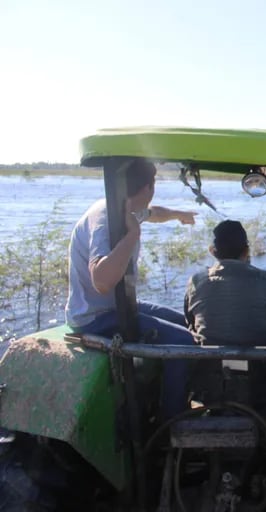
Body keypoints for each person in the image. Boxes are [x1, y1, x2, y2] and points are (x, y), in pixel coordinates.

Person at [64, 157, 198, 419]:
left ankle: (172, 389)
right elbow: (101, 281)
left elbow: (153, 213)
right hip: (94, 318)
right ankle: (173, 418)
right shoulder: (105, 217)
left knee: (187, 321)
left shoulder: (124, 208)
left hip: (118, 306)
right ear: (149, 187)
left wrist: (179, 215)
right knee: (183, 341)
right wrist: (132, 236)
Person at [184, 220, 266, 346]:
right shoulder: (265, 280)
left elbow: (190, 321)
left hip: (210, 361)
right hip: (260, 361)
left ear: (213, 251)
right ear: (247, 251)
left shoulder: (196, 281)